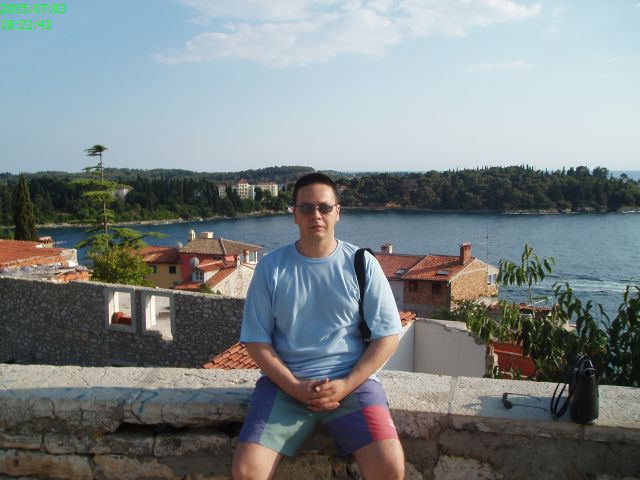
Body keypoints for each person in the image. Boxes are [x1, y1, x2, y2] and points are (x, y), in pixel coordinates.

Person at [232, 172, 405, 480]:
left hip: (352, 385)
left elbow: (388, 336)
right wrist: (294, 387)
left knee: (390, 467)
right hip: (286, 387)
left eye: (324, 207)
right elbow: (257, 341)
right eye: (306, 207)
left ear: (337, 212)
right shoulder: (271, 268)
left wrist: (346, 384)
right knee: (247, 472)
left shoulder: (361, 264)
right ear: (294, 214)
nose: (316, 215)